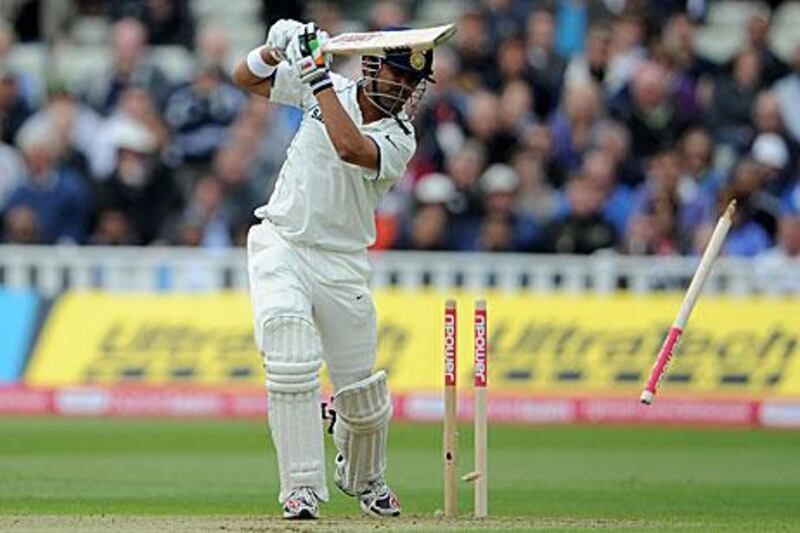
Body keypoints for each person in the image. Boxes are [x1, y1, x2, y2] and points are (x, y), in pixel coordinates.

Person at [232, 20, 431, 519]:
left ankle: (363, 476)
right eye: (397, 77)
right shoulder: (329, 86)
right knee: (290, 351)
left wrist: (317, 78)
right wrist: (276, 48)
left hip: (342, 264)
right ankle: (299, 489)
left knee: (362, 397)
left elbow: (350, 148)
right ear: (372, 65)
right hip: (282, 243)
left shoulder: (399, 137)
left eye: (412, 84)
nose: (403, 90)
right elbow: (244, 78)